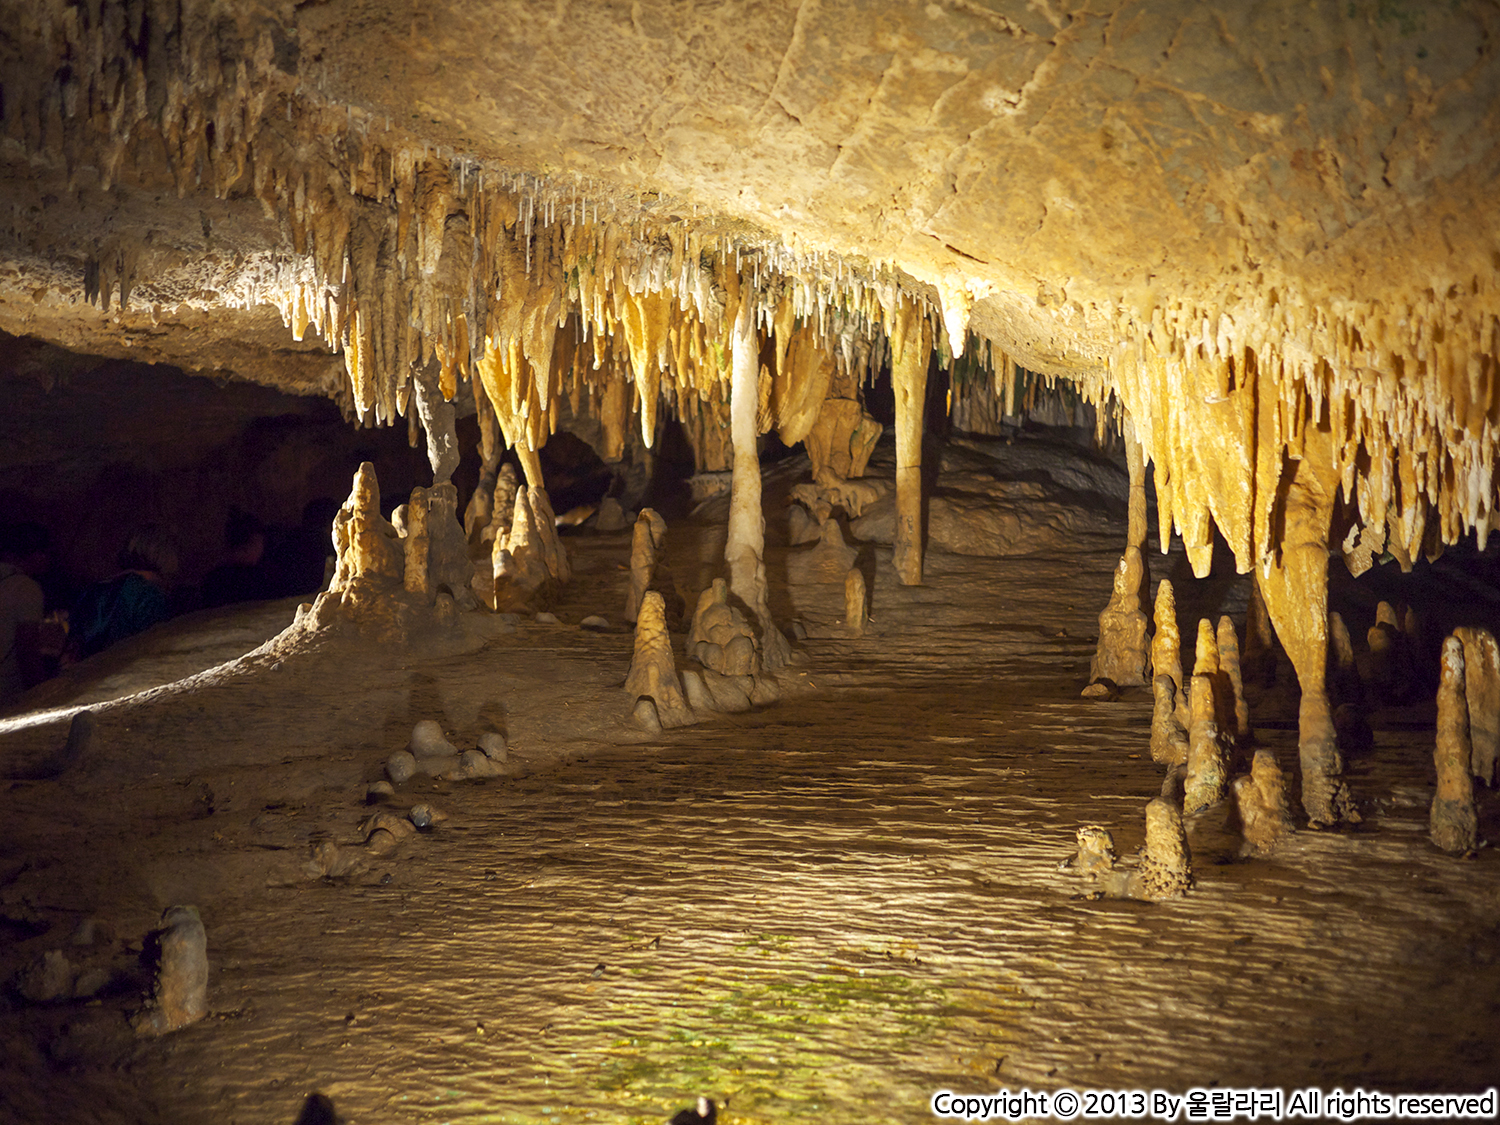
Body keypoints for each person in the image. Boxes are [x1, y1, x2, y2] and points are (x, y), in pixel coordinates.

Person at [66, 525, 178, 661]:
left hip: (87, 673)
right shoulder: (148, 594)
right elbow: (153, 649)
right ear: (163, 555)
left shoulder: (97, 588)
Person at [0, 522, 48, 706]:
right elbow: (26, 648)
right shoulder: (25, 587)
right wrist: (39, 694)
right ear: (36, 554)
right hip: (6, 692)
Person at [201, 509, 274, 608]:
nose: (262, 548)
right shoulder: (258, 578)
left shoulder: (214, 578)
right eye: (260, 543)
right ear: (253, 543)